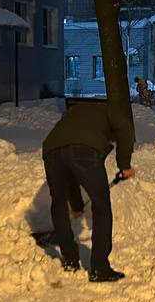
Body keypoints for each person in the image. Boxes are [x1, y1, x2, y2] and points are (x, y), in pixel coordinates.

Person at [41, 98, 135, 282]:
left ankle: (70, 260)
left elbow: (71, 176)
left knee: (58, 203)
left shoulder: (79, 113)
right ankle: (100, 268)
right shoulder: (112, 111)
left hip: (51, 150)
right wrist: (124, 165)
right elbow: (126, 129)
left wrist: (77, 206)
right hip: (84, 150)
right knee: (101, 206)